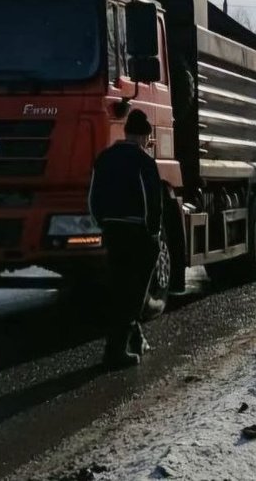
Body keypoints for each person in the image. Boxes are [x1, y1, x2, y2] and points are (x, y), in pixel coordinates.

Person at [89, 109, 163, 369]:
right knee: (133, 294)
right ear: (143, 136)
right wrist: (153, 233)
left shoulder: (104, 158)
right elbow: (153, 202)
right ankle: (115, 352)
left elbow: (93, 197)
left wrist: (103, 224)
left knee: (120, 287)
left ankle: (133, 340)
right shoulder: (144, 162)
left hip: (112, 231)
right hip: (137, 234)